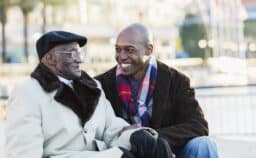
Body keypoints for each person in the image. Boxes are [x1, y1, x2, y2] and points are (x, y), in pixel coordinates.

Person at [5, 31, 174, 158]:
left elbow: (110, 127)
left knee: (156, 146)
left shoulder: (92, 87)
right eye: (71, 53)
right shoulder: (27, 93)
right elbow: (23, 154)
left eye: (80, 53)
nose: (79, 59)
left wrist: (136, 136)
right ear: (50, 59)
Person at [96, 23, 219, 158]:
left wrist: (150, 137)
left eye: (129, 50)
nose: (121, 56)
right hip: (126, 153)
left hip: (167, 151)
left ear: (149, 50)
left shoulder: (176, 80)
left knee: (204, 144)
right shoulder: (100, 84)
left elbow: (198, 126)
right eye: (118, 49)